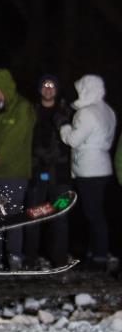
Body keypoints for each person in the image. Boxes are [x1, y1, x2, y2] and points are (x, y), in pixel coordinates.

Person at [0, 68, 36, 269]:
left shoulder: (23, 108)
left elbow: (16, 138)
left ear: (4, 88)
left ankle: (15, 257)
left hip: (14, 173)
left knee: (13, 215)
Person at [59, 75, 117, 270]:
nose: (79, 93)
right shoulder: (107, 110)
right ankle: (95, 253)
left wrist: (63, 125)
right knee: (96, 212)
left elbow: (73, 140)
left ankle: (99, 257)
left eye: (81, 89)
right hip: (102, 166)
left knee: (94, 214)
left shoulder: (87, 113)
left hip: (88, 168)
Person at [22, 75, 72, 268]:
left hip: (60, 176)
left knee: (60, 216)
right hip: (36, 175)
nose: (48, 89)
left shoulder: (65, 111)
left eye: (52, 86)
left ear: (57, 90)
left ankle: (59, 259)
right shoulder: (31, 111)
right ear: (40, 89)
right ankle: (30, 259)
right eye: (45, 86)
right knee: (34, 216)